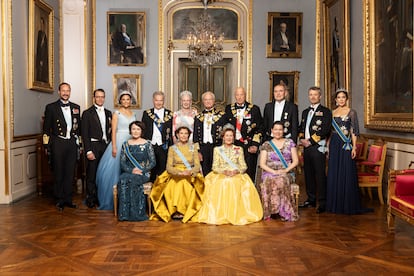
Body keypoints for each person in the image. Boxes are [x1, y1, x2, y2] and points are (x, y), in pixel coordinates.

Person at [198, 124, 263, 225]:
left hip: (236, 173)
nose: (229, 138)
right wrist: (224, 171)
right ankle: (220, 213)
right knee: (223, 182)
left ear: (233, 138)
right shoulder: (217, 149)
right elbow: (214, 166)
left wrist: (236, 171)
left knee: (235, 182)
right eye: (227, 135)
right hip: (220, 173)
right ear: (223, 137)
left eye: (231, 136)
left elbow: (243, 166)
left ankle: (236, 213)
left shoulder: (239, 149)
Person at [326, 89, 371, 214]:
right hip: (334, 144)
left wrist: (354, 147)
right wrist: (328, 147)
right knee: (334, 172)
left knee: (346, 171)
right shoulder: (332, 112)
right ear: (335, 99)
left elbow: (354, 131)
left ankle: (346, 204)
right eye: (338, 97)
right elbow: (329, 133)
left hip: (346, 144)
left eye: (343, 97)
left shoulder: (352, 112)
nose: (341, 99)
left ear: (346, 99)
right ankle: (335, 203)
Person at [150, 125, 204, 223]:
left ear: (189, 135)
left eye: (186, 133)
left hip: (189, 172)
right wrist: (179, 172)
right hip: (175, 173)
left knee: (186, 184)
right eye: (181, 133)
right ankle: (174, 211)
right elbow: (169, 167)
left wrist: (190, 172)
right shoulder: (172, 148)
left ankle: (185, 211)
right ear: (177, 135)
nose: (183, 135)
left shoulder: (193, 147)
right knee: (172, 185)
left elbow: (197, 165)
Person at [43, 82, 80, 211]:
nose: (65, 93)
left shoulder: (76, 107)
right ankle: (59, 199)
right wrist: (46, 145)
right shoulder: (51, 107)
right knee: (59, 172)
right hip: (58, 142)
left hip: (71, 143)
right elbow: (46, 129)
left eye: (68, 90)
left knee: (70, 172)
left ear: (70, 92)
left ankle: (68, 199)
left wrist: (79, 144)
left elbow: (78, 128)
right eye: (63, 90)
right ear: (59, 92)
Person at [96, 90, 136, 210]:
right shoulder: (116, 113)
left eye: (127, 99)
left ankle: (127, 199)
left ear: (130, 101)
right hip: (119, 142)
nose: (125, 101)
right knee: (114, 171)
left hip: (130, 142)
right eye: (123, 99)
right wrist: (114, 146)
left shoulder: (133, 113)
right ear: (120, 101)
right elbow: (113, 131)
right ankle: (111, 200)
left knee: (128, 170)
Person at [299, 86, 332, 213]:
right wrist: (302, 139)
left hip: (318, 147)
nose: (312, 97)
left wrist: (310, 141)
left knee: (320, 175)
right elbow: (302, 128)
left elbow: (325, 129)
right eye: (311, 94)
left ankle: (322, 202)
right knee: (308, 174)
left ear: (320, 96)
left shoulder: (326, 112)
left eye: (315, 94)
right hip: (306, 147)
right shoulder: (305, 112)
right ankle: (311, 199)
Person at [259, 121, 299, 221]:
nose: (278, 132)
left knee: (281, 179)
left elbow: (295, 161)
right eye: (275, 129)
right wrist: (273, 172)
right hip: (269, 172)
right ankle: (271, 211)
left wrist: (286, 170)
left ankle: (284, 211)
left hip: (286, 171)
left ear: (283, 131)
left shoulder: (290, 143)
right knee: (270, 180)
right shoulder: (266, 144)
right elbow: (262, 164)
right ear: (272, 130)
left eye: (280, 129)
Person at [118, 121, 156, 221]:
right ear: (130, 130)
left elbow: (153, 162)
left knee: (133, 180)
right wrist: (131, 170)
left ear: (142, 131)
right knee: (123, 179)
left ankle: (136, 213)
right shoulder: (125, 144)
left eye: (138, 129)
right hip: (130, 172)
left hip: (143, 173)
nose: (135, 131)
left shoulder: (147, 144)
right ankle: (124, 214)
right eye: (133, 129)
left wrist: (142, 170)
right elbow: (122, 163)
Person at [81, 89, 112, 208]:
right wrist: (88, 150)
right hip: (93, 146)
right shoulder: (87, 113)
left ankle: (100, 197)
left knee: (103, 173)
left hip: (105, 146)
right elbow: (84, 134)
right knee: (92, 173)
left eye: (102, 97)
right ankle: (90, 198)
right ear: (94, 98)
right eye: (98, 97)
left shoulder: (109, 113)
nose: (100, 99)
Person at [224, 86, 263, 181]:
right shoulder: (229, 108)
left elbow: (259, 129)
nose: (239, 97)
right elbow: (225, 127)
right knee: (233, 173)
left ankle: (249, 195)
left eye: (241, 94)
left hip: (249, 146)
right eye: (237, 95)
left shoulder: (254, 109)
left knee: (249, 173)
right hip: (233, 145)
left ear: (245, 95)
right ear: (235, 96)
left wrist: (255, 145)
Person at [142, 91, 173, 182]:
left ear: (164, 101)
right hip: (150, 145)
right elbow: (143, 131)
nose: (159, 103)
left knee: (163, 171)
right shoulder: (147, 113)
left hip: (164, 146)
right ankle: (150, 194)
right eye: (156, 100)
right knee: (150, 171)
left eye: (161, 100)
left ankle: (162, 193)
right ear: (153, 100)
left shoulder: (170, 114)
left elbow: (172, 131)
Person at [193, 91, 226, 175]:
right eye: (205, 99)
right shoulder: (198, 117)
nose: (208, 101)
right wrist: (198, 151)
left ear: (214, 101)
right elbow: (195, 136)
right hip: (203, 148)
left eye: (210, 99)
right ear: (203, 101)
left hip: (216, 147)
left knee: (216, 172)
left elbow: (226, 134)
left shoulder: (221, 116)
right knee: (204, 172)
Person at [36, 17, 48, 83]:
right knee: (39, 68)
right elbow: (38, 46)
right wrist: (40, 58)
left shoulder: (45, 35)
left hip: (44, 56)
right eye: (40, 23)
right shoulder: (39, 33)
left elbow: (45, 48)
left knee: (43, 69)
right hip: (39, 55)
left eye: (42, 24)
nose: (41, 25)